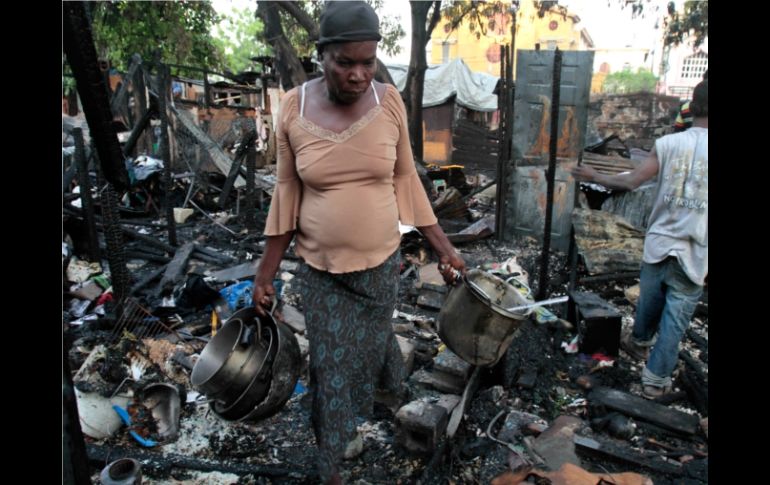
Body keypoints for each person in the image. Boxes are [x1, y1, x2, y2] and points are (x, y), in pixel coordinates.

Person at [251, 2, 466, 483]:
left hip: (379, 268)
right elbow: (287, 193)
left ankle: (377, 394)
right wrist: (264, 274)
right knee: (331, 366)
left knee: (365, 351)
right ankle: (331, 461)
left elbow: (407, 181)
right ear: (321, 56)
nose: (358, 74)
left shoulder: (389, 103)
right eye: (345, 62)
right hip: (321, 270)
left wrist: (445, 248)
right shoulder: (293, 108)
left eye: (367, 62)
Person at [571, 79, 707, 400]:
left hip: (660, 242)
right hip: (696, 251)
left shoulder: (670, 144)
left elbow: (631, 181)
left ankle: (640, 340)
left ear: (692, 107)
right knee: (675, 321)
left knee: (650, 298)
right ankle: (655, 380)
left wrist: (594, 176)